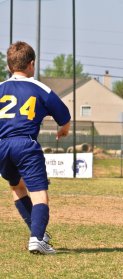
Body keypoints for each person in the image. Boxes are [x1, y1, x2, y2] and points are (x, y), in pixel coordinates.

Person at [0, 41, 71, 254]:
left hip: (2, 146)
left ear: (9, 65)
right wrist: (63, 130)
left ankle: (37, 232)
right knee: (39, 193)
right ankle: (38, 239)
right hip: (25, 144)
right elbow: (64, 115)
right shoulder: (39, 87)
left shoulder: (1, 88)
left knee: (17, 186)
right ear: (31, 64)